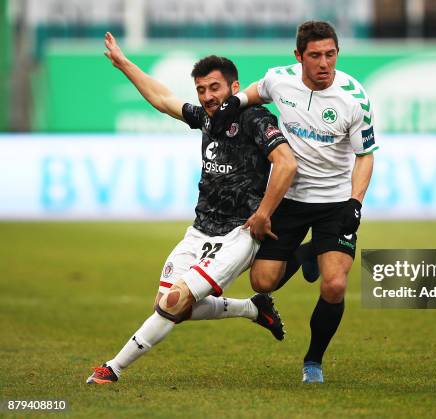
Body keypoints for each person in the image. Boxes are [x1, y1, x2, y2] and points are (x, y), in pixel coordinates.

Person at [86, 32, 297, 384]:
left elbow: (286, 164)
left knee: (172, 303)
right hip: (200, 230)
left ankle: (113, 368)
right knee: (174, 305)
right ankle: (252, 308)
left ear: (235, 86)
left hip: (238, 233)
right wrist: (124, 64)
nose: (208, 96)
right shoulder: (207, 119)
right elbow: (163, 98)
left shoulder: (255, 119)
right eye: (201, 90)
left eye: (215, 87)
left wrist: (262, 215)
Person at [211, 21, 378, 383]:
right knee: (262, 283)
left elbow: (365, 155)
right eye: (315, 55)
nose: (324, 63)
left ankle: (313, 361)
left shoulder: (355, 98)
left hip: (335, 202)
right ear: (298, 56)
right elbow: (256, 91)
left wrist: (355, 202)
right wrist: (234, 102)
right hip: (290, 198)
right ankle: (306, 253)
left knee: (334, 284)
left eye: (330, 55)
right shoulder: (280, 79)